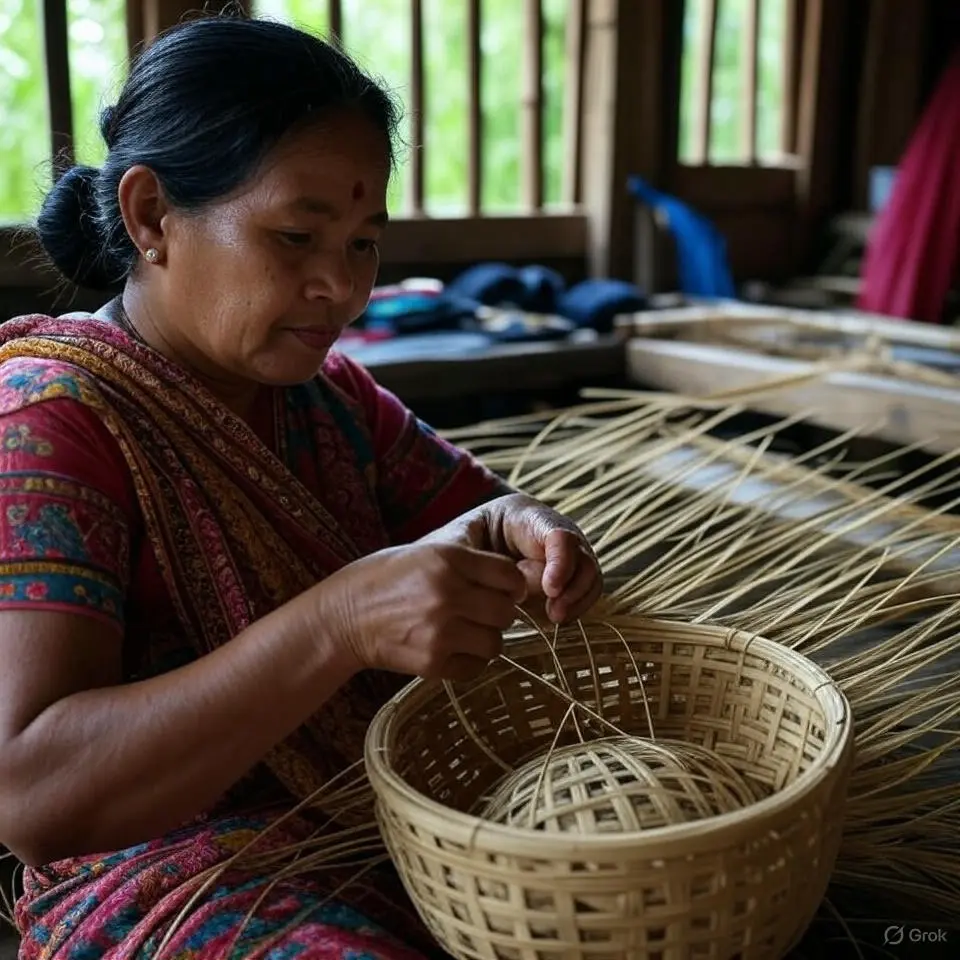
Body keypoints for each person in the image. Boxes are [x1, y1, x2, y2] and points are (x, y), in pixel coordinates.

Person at [0, 13, 602, 960]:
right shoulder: (55, 421)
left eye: (363, 243)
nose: (343, 288)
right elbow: (33, 798)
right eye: (295, 235)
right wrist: (339, 622)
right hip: (166, 876)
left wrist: (527, 531)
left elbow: (476, 518)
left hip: (386, 822)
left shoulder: (329, 400)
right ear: (150, 215)